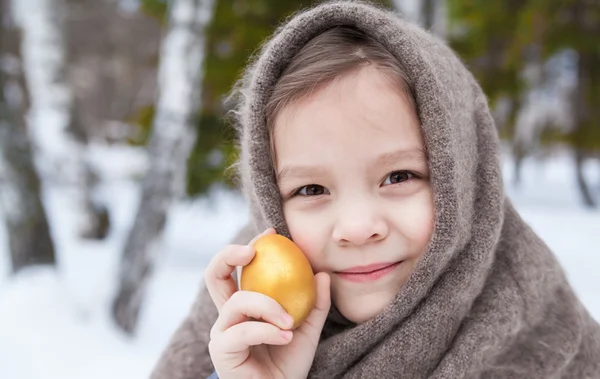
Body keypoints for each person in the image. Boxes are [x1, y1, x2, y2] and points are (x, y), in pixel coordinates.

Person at [150, 1, 600, 378]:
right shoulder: (234, 323)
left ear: (461, 175)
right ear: (268, 197)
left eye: (399, 177)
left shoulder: (546, 341)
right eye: (310, 188)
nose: (359, 228)